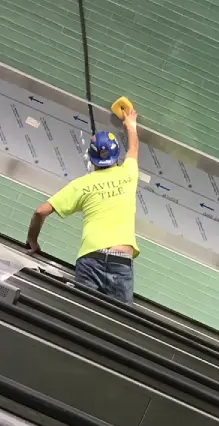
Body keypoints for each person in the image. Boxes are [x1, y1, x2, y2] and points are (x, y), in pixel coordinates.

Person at [27, 105, 140, 303]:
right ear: (116, 155)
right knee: (120, 325)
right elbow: (133, 149)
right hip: (120, 261)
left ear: (92, 158)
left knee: (84, 316)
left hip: (90, 260)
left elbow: (40, 211)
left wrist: (32, 241)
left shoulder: (81, 185)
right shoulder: (128, 174)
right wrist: (131, 124)